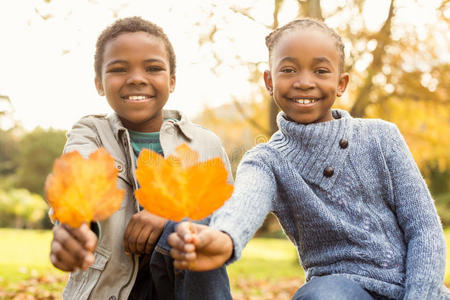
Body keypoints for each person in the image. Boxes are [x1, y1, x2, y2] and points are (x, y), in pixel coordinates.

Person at [168, 18, 450, 300]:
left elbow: (424, 229)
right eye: (289, 70)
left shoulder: (381, 137)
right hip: (338, 290)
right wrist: (225, 237)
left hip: (413, 290)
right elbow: (245, 203)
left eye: (321, 71)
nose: (304, 82)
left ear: (341, 83)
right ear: (269, 81)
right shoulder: (266, 161)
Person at [48, 16, 233, 300]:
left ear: (171, 82)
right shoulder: (90, 133)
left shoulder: (205, 144)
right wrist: (74, 227)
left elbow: (227, 225)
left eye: (153, 68)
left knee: (187, 231)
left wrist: (169, 215)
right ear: (99, 83)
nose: (136, 78)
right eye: (119, 69)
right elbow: (77, 182)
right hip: (109, 291)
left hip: (183, 286)